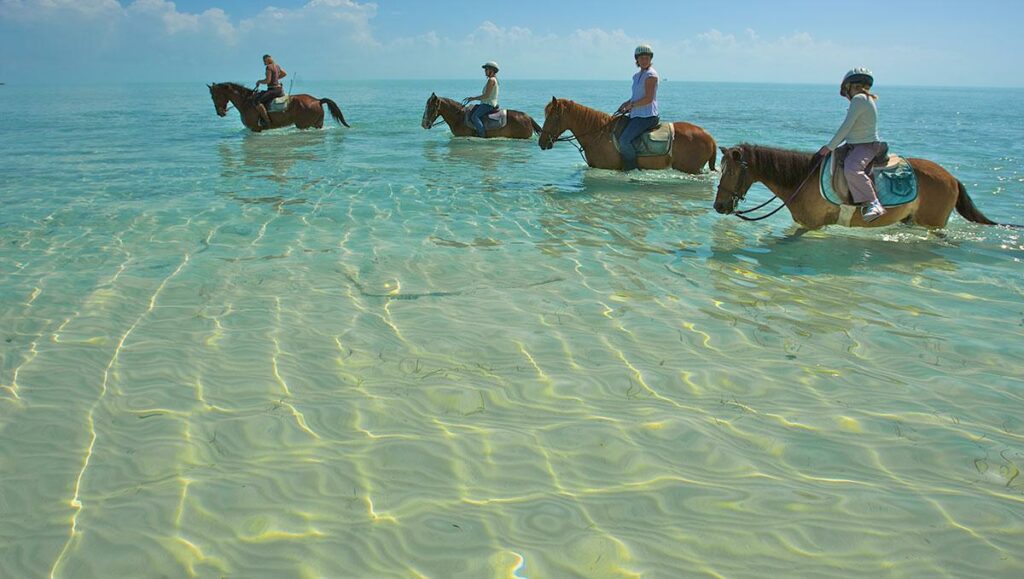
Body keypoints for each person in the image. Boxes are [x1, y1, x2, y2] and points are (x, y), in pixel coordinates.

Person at [817, 68, 886, 222]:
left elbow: (846, 127)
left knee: (853, 169)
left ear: (848, 87)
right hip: (853, 144)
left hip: (865, 146)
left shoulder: (859, 99)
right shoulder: (865, 99)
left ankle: (874, 204)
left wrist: (829, 147)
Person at [616, 44, 660, 171]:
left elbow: (648, 99)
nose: (644, 60)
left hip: (647, 116)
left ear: (650, 59)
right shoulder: (636, 76)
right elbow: (636, 96)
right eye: (642, 58)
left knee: (624, 141)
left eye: (647, 58)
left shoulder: (651, 75)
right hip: (636, 114)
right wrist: (626, 104)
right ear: (637, 60)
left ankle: (632, 169)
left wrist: (631, 105)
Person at [463, 61, 500, 137]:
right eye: (485, 69)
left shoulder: (491, 80)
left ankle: (482, 135)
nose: (485, 71)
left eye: (486, 69)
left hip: (488, 105)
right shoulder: (493, 80)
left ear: (492, 71)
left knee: (474, 116)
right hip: (486, 103)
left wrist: (473, 98)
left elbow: (486, 96)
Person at [254, 54, 287, 129]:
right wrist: (276, 78)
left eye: (264, 60)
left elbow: (267, 81)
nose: (264, 63)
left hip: (273, 90)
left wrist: (259, 81)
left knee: (257, 101)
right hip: (280, 89)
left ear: (268, 59)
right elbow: (284, 74)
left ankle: (267, 121)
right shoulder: (277, 66)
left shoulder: (269, 67)